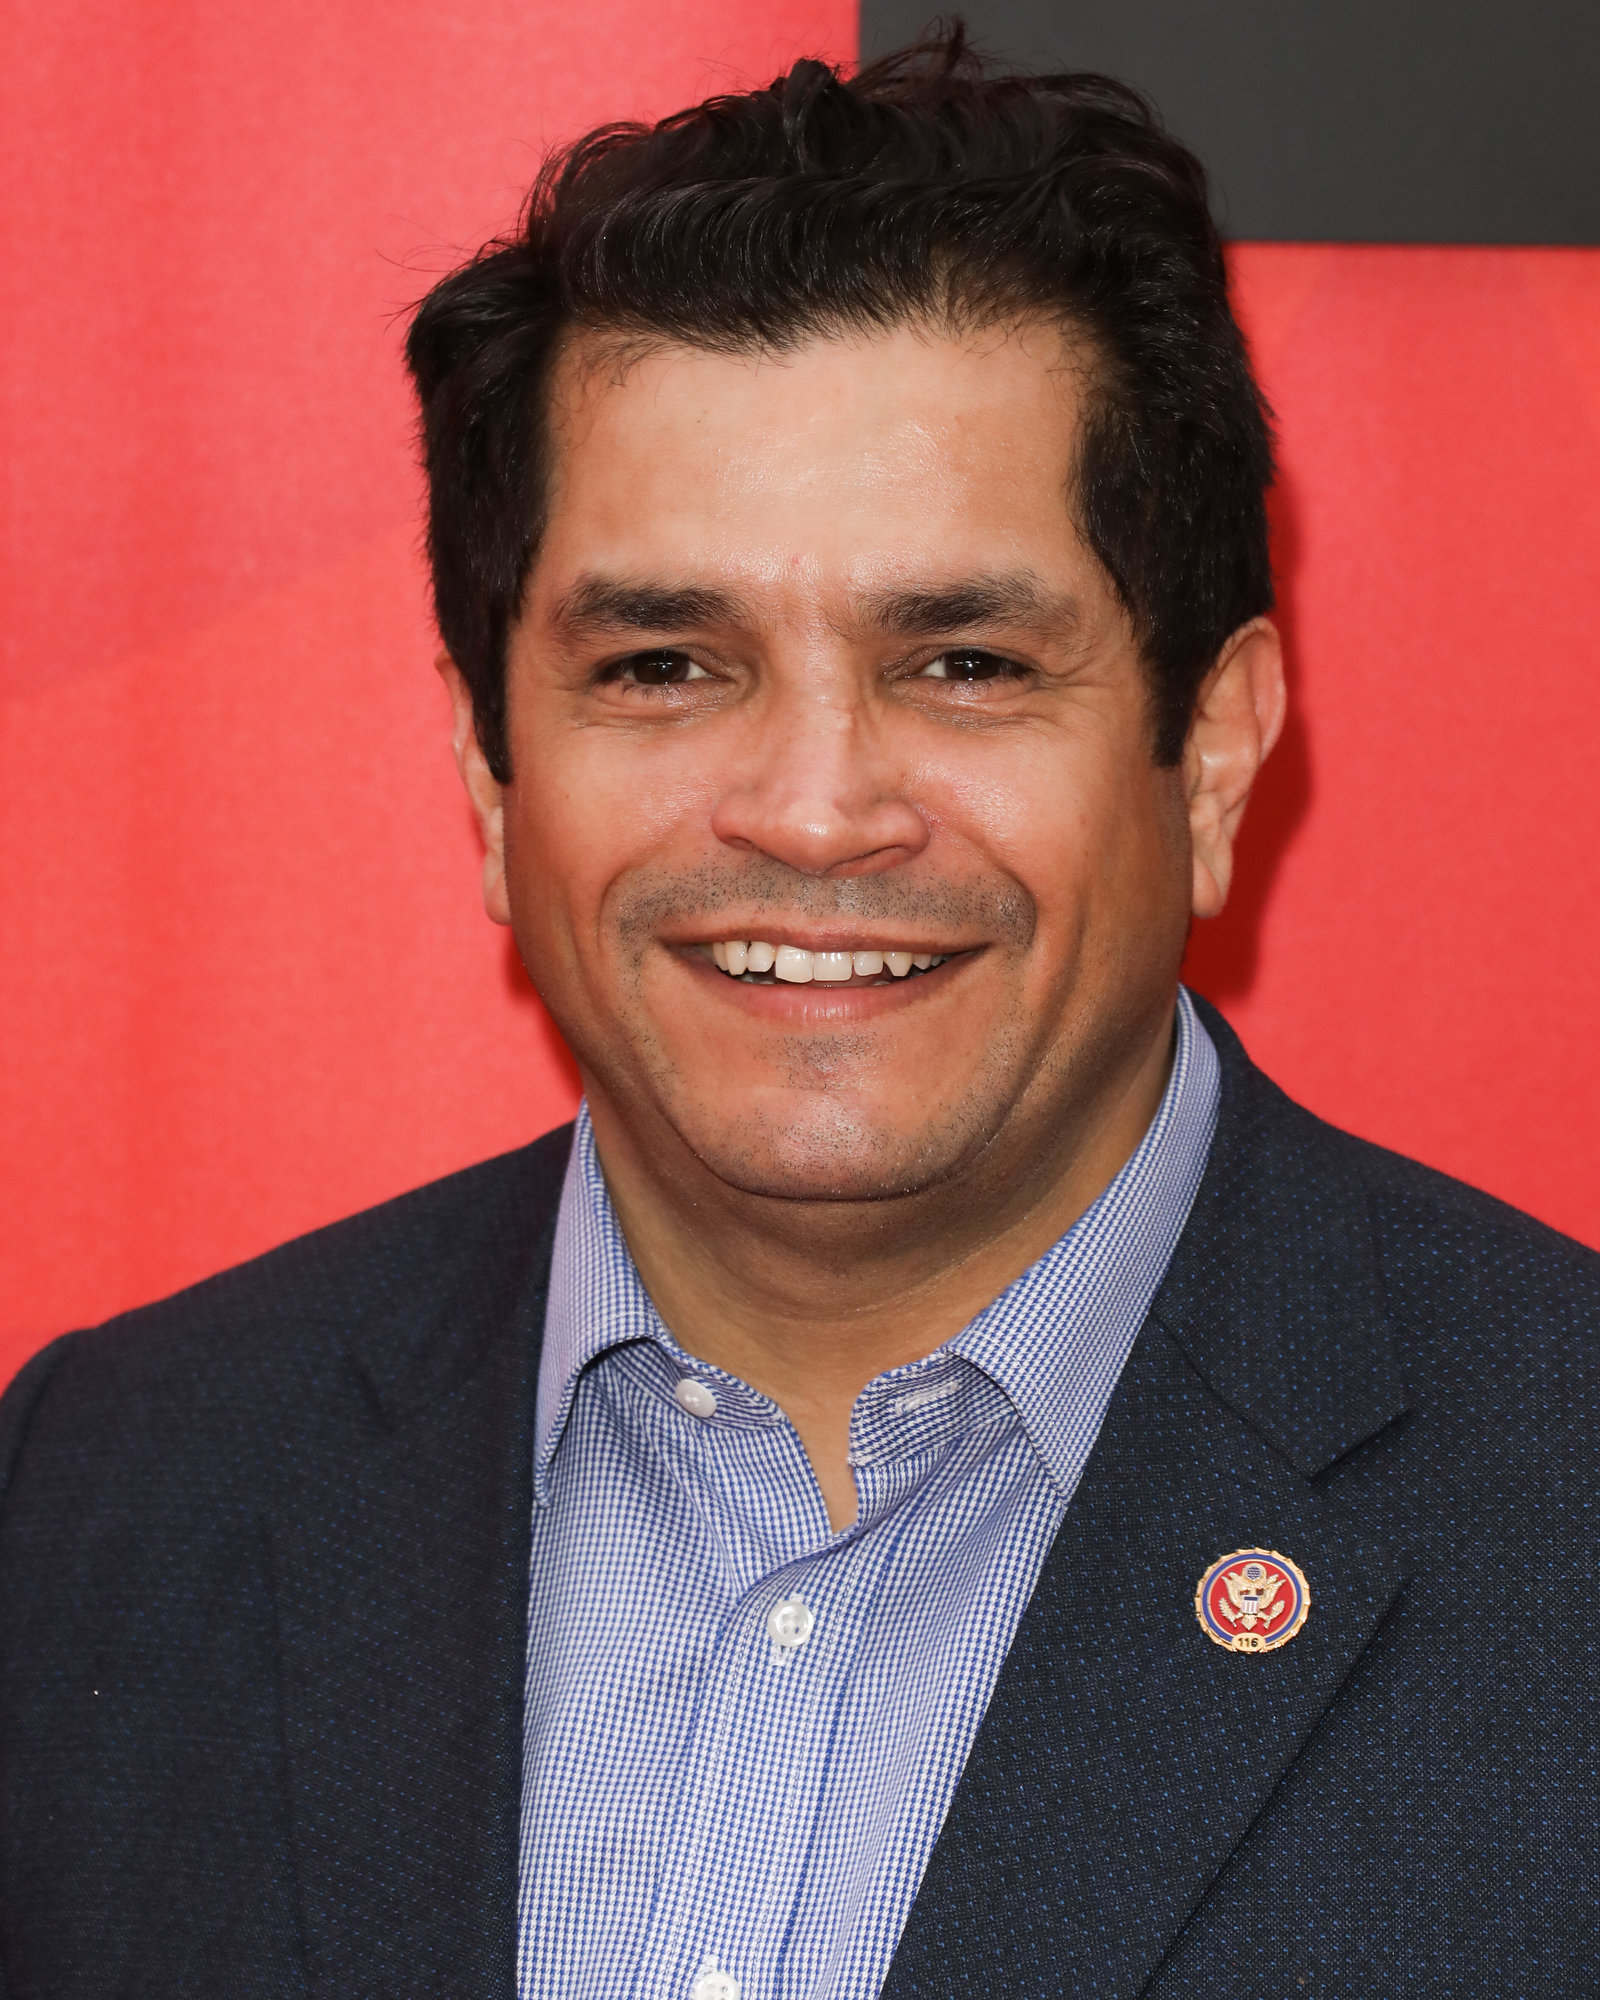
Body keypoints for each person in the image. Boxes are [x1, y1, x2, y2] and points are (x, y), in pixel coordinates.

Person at [1, 31, 1595, 1998]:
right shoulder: (100, 1496)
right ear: (495, 780)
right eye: (666, 663)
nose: (815, 807)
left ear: (1208, 759)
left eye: (962, 660)